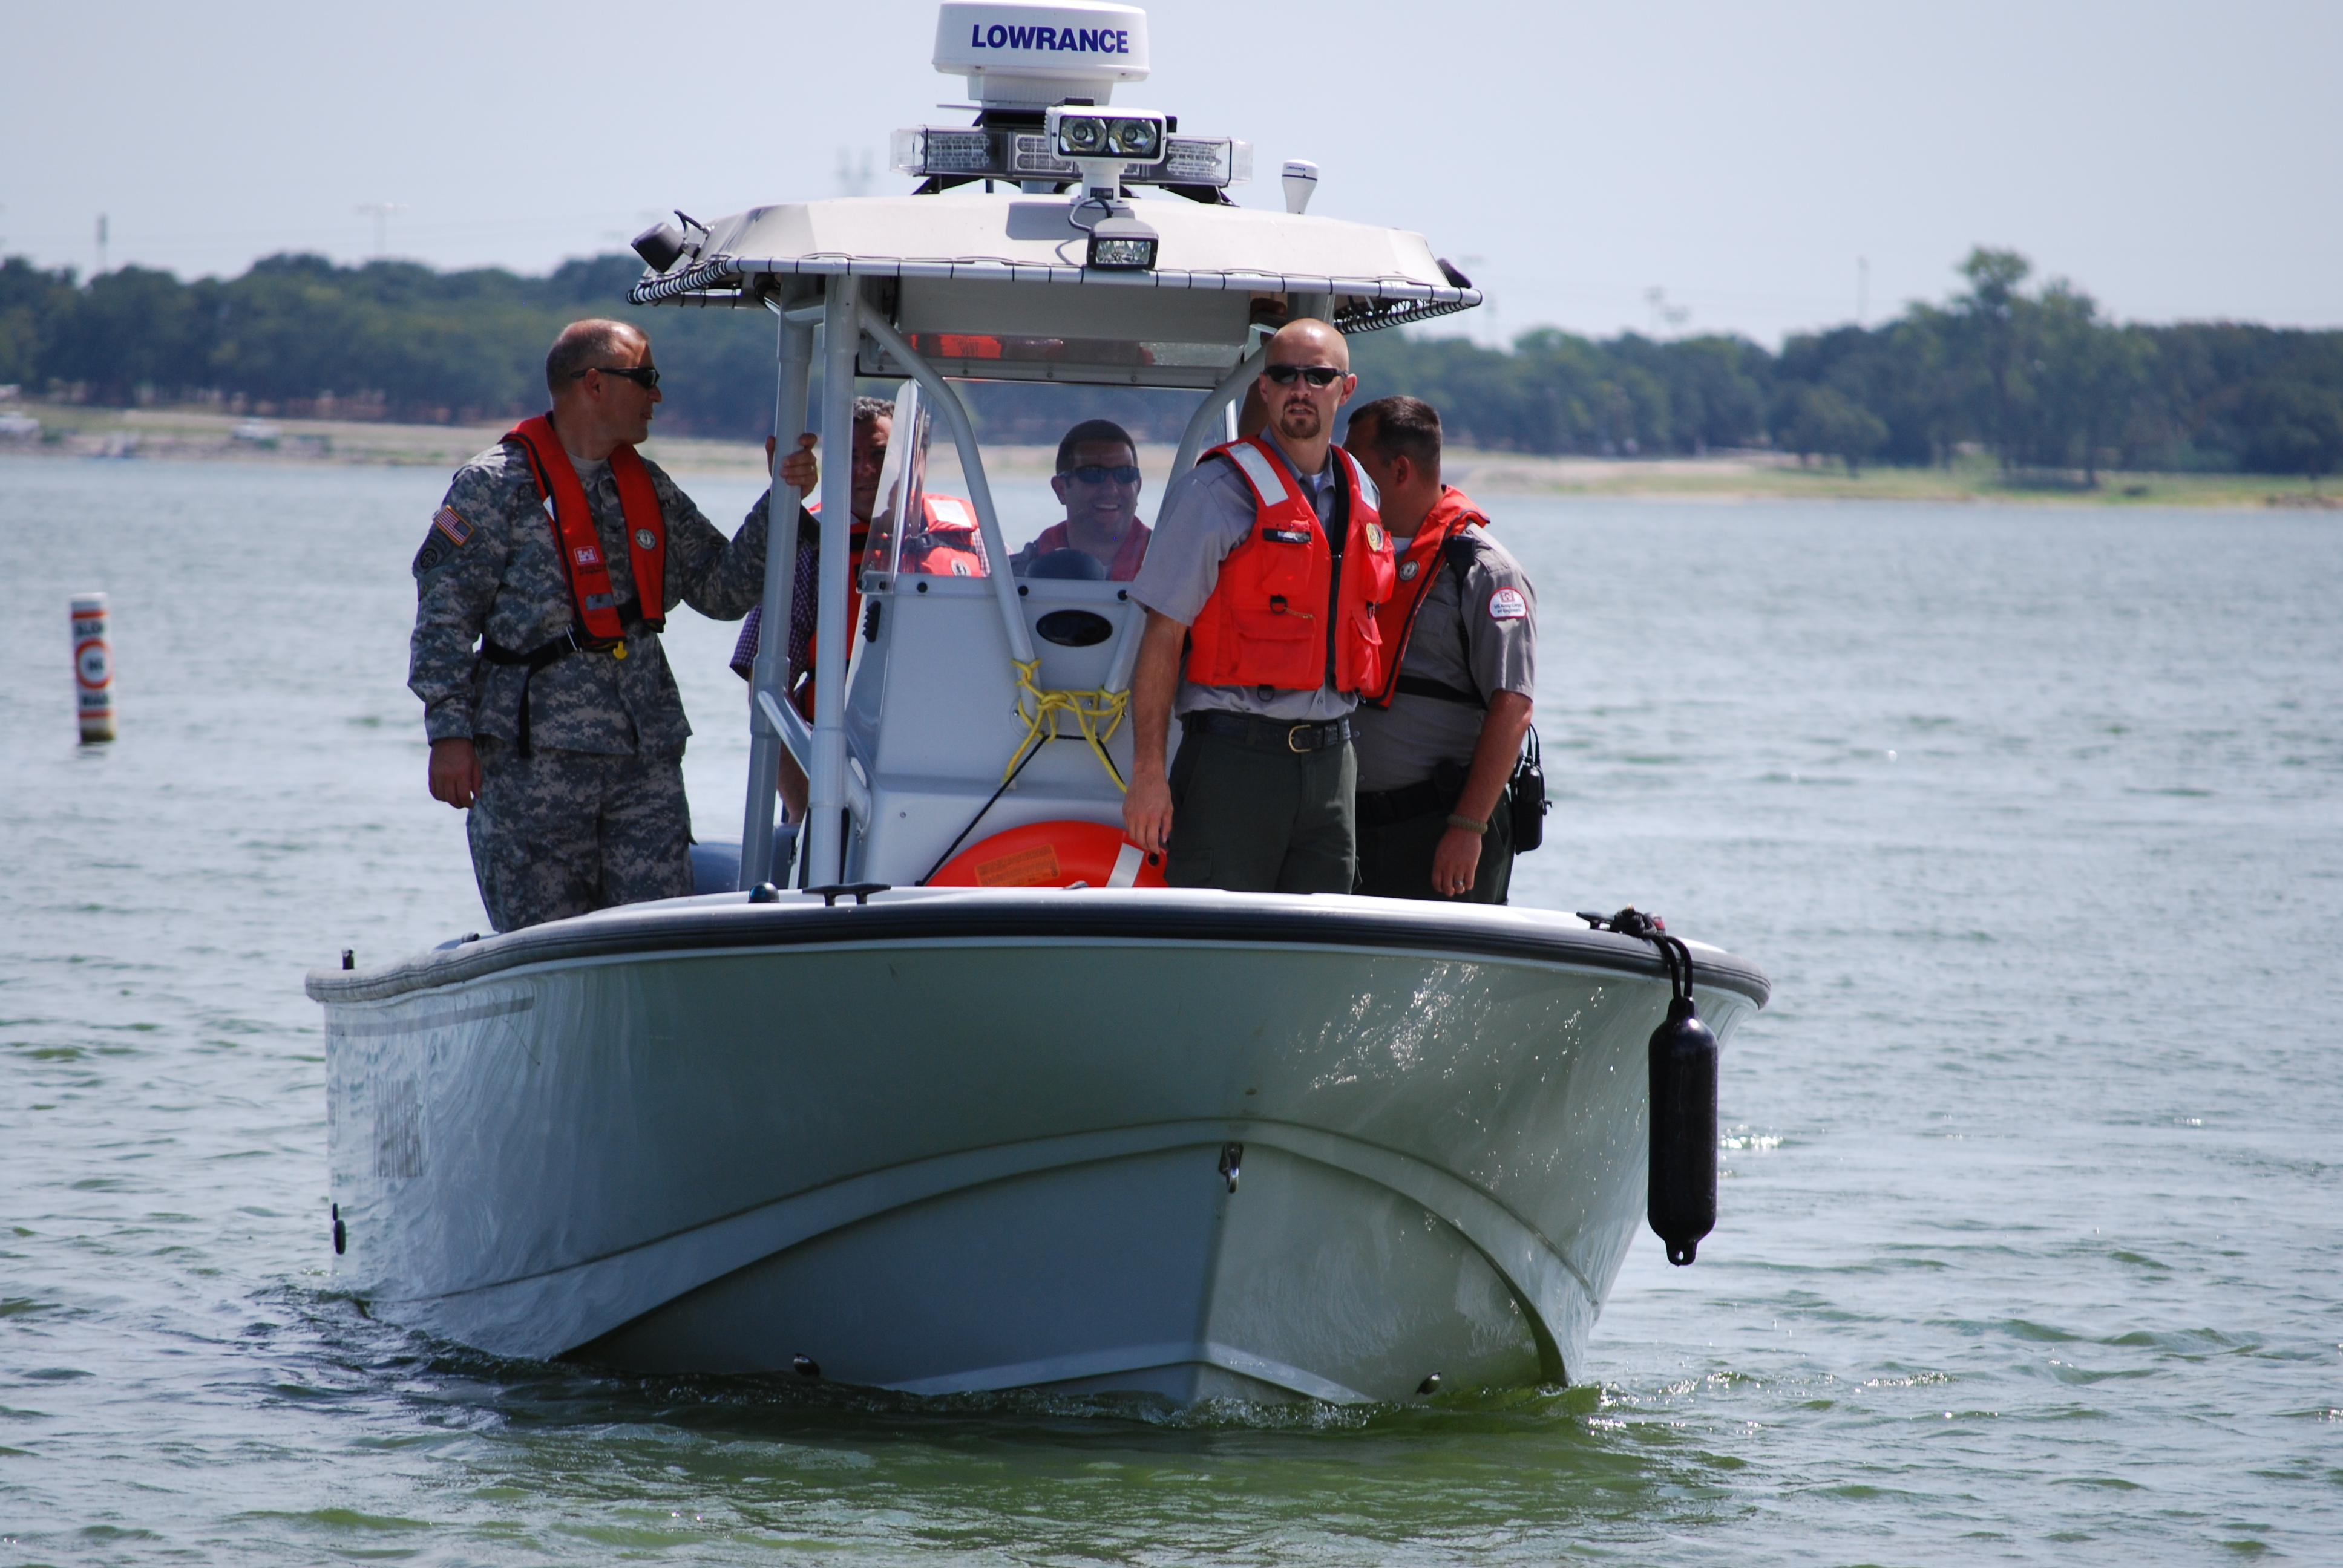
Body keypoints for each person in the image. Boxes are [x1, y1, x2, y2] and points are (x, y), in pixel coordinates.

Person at [411, 318, 770, 932]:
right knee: (543, 946)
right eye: (646, 379)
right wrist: (448, 735)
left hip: (642, 767)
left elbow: (722, 590)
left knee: (658, 939)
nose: (657, 396)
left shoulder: (646, 486)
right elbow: (443, 620)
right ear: (595, 384)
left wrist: (783, 500)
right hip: (531, 769)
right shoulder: (492, 487)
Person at [1122, 319, 1395, 893]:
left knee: (1321, 952)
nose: (1300, 389)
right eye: (1283, 374)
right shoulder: (1215, 493)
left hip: (1331, 765)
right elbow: (1163, 636)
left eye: (1318, 376)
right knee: (1214, 945)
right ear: (1264, 389)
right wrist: (1148, 772)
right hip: (1233, 763)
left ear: (1345, 389)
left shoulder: (1363, 491)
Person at [729, 397, 983, 820]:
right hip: (844, 768)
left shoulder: (970, 537)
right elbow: (766, 687)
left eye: (880, 456)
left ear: (913, 457)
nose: (865, 471)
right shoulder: (809, 545)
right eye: (851, 458)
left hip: (952, 761)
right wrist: (801, 801)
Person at [1341, 396, 1537, 903]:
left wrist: (1467, 828)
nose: (1340, 477)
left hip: (1439, 830)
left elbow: (1512, 705)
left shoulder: (1485, 572)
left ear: (1400, 470)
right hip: (1352, 826)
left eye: (1354, 464)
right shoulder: (1348, 553)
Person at [1009, 419, 1152, 580]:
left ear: (1138, 487)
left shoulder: (1177, 571)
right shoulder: (1012, 580)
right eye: (1093, 473)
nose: (1111, 489)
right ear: (1061, 489)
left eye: (1125, 473)